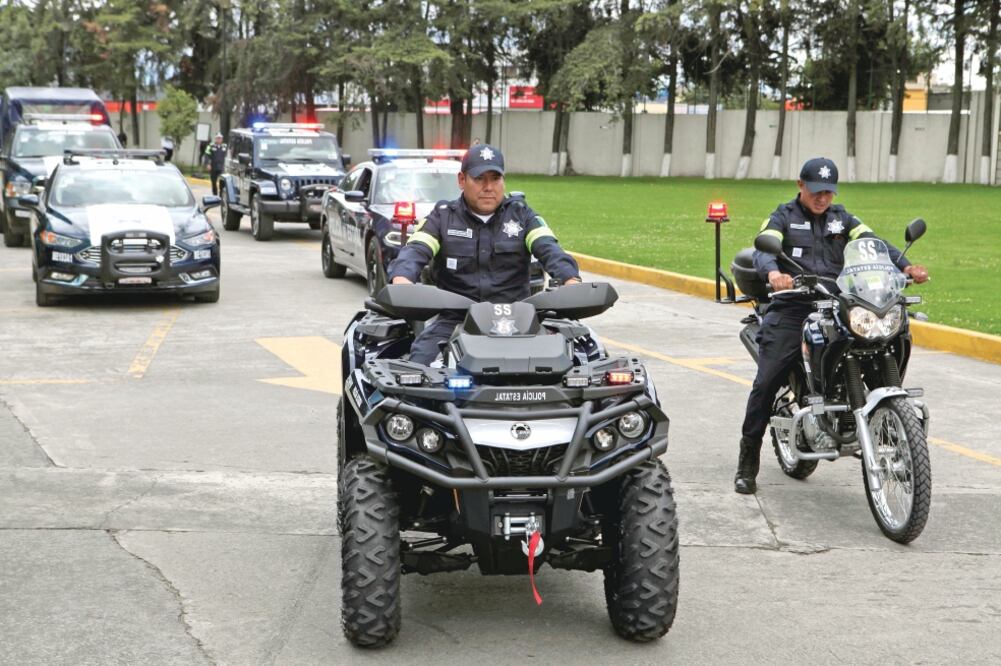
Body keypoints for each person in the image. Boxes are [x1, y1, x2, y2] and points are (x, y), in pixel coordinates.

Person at [735, 157, 929, 495]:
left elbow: (875, 244)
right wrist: (773, 274)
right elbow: (763, 246)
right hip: (794, 305)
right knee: (767, 381)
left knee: (887, 338)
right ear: (801, 186)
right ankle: (747, 459)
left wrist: (906, 267)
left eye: (828, 192)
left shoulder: (844, 220)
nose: (822, 198)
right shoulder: (783, 216)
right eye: (816, 191)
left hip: (838, 303)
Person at [387, 144, 582, 365]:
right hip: (455, 320)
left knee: (573, 361)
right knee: (419, 368)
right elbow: (415, 250)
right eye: (480, 179)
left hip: (518, 323)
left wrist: (570, 280)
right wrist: (402, 281)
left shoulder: (522, 215)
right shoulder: (442, 218)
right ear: (462, 180)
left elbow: (549, 248)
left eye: (495, 178)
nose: (488, 187)